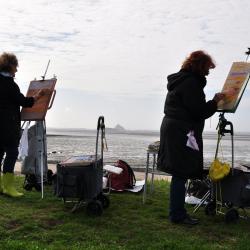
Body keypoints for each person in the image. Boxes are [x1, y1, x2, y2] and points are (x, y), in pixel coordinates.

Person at [157, 50, 225, 225]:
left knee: (179, 172)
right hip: (181, 131)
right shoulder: (190, 83)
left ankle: (177, 212)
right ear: (199, 66)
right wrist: (215, 101)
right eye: (207, 68)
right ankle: (177, 215)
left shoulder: (182, 80)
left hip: (174, 128)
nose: (208, 72)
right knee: (180, 172)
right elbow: (199, 111)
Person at [0, 52, 43, 197]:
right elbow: (25, 102)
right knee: (12, 153)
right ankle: (8, 187)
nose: (16, 70)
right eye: (15, 67)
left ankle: (1, 187)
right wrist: (38, 96)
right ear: (10, 66)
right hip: (8, 126)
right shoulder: (10, 85)